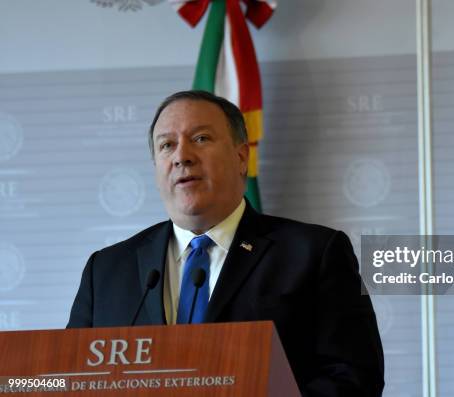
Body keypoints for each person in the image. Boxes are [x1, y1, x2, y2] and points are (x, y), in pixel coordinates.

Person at [67, 90, 384, 396]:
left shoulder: (314, 253)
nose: (182, 157)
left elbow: (355, 377)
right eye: (166, 145)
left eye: (200, 139)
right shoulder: (106, 270)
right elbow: (72, 378)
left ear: (241, 156)